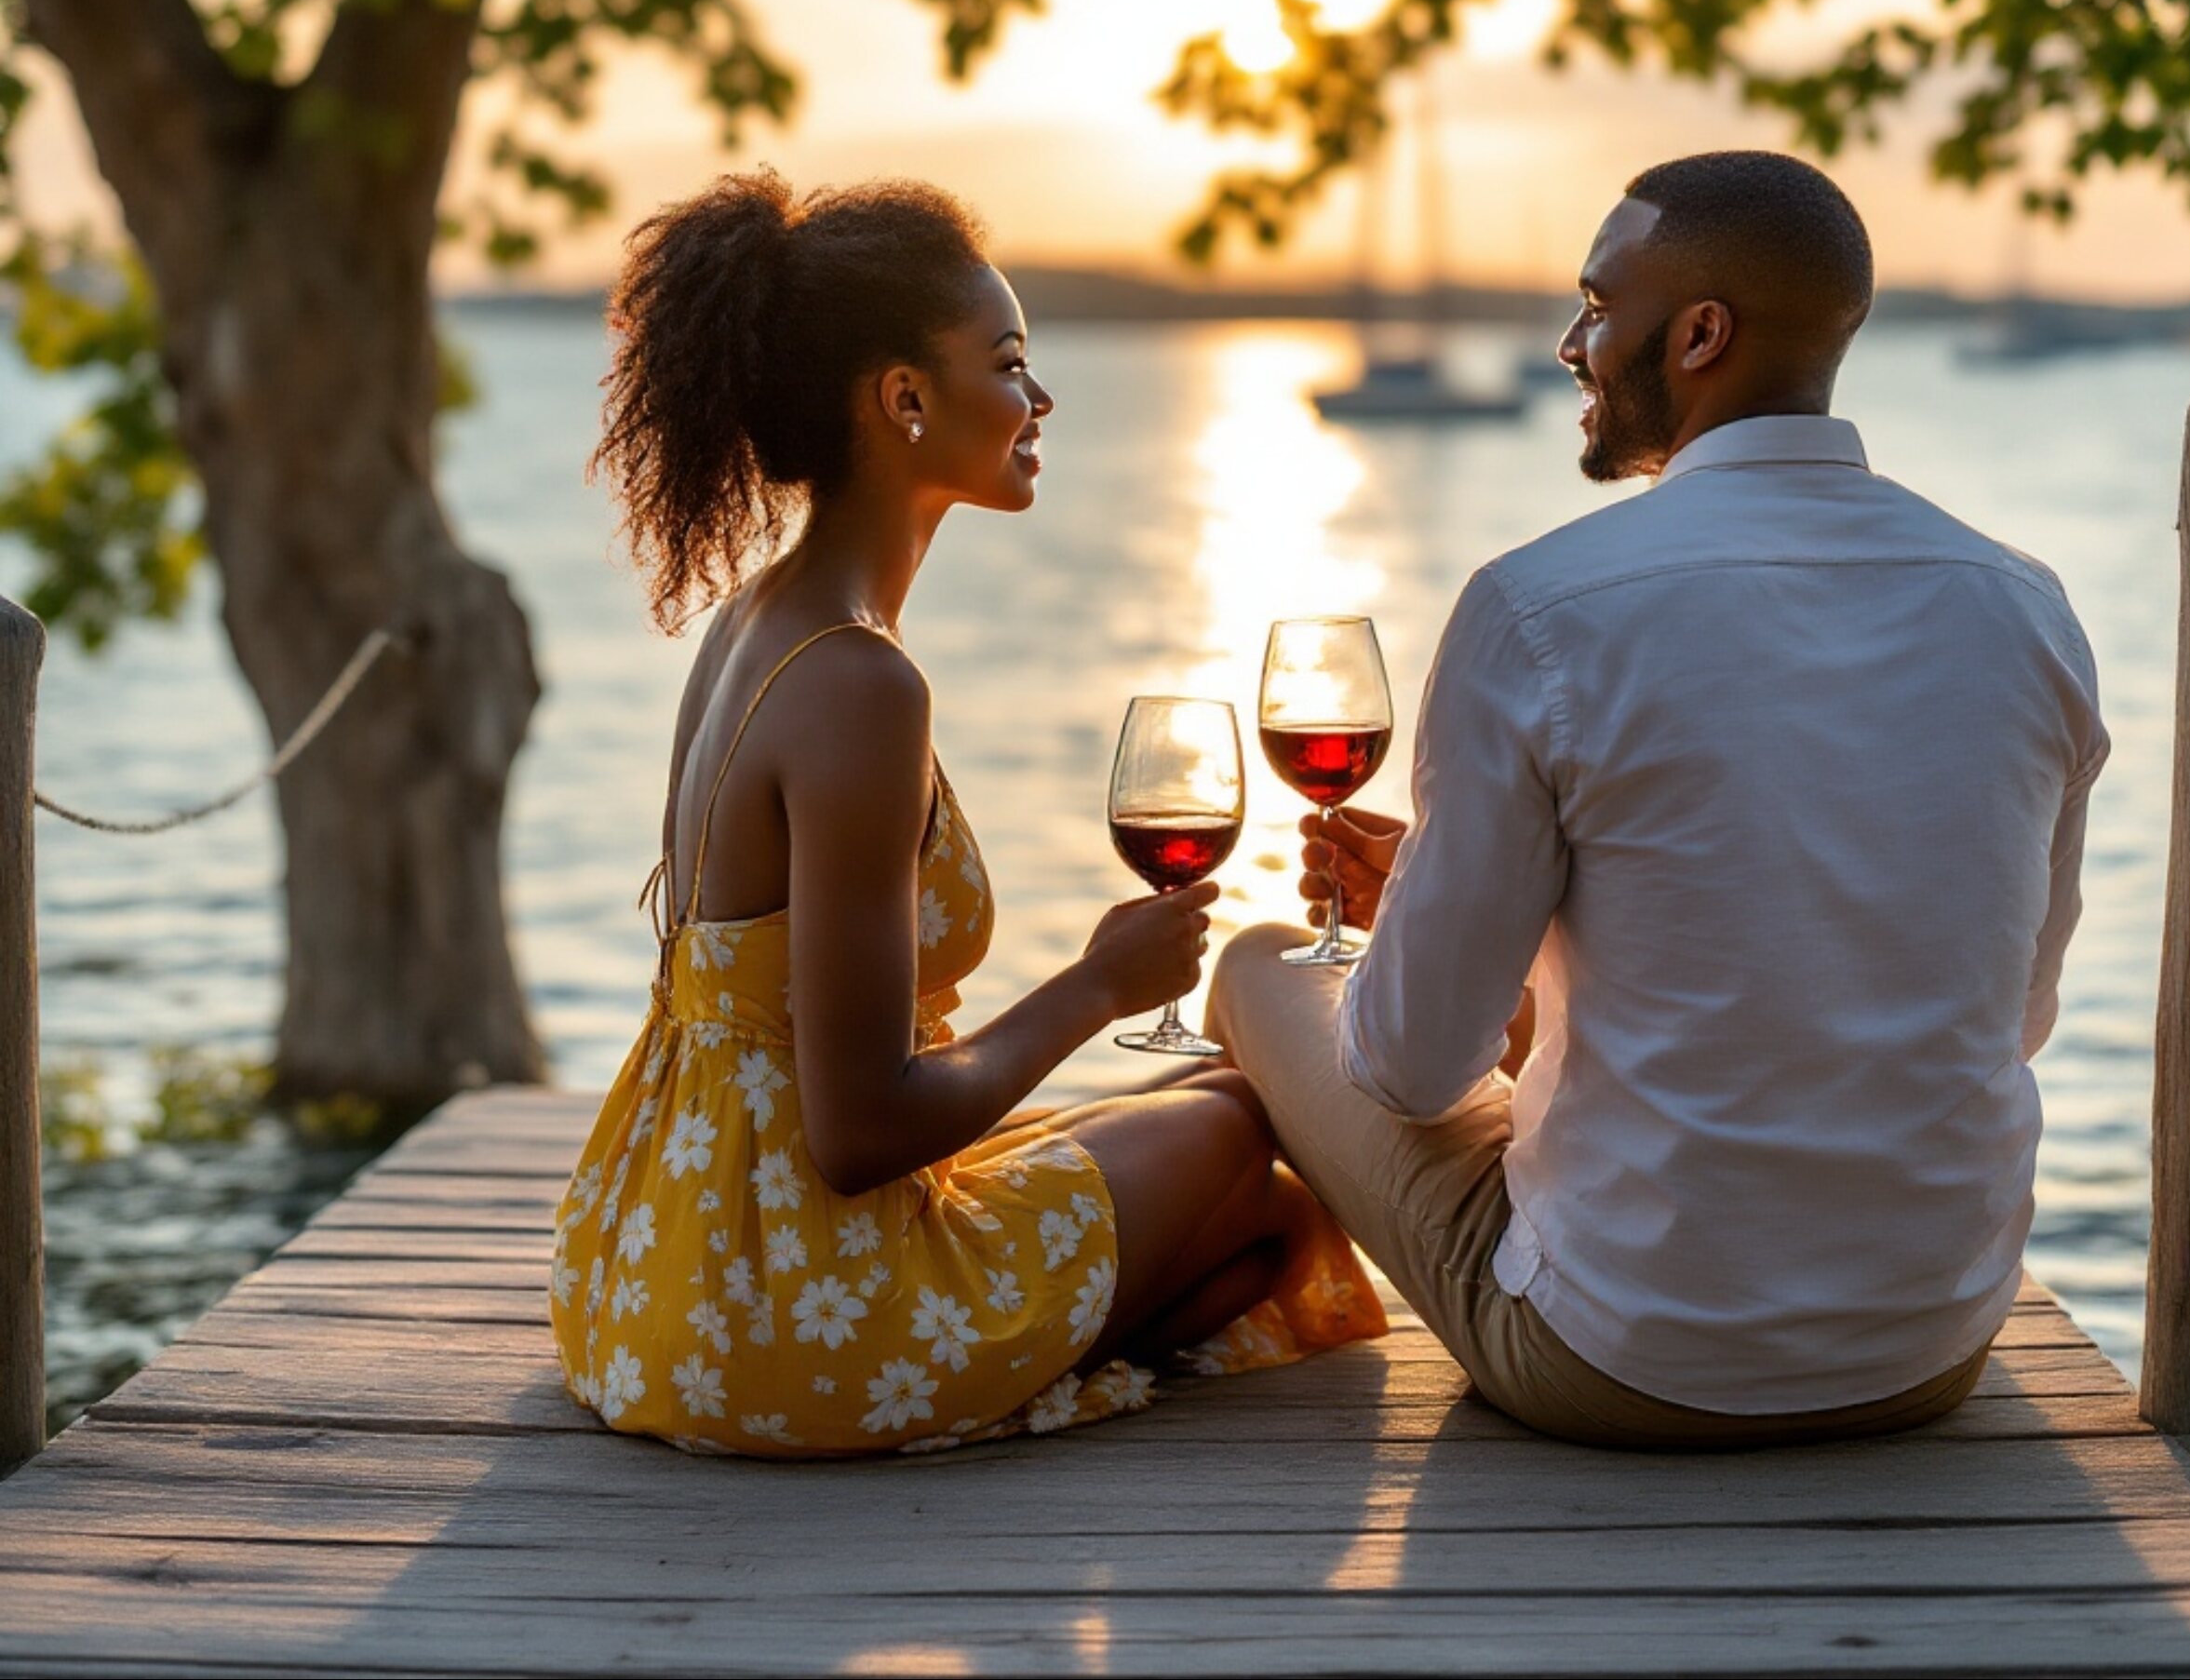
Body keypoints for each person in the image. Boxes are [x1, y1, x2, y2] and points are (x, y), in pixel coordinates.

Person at [1207, 150, 2109, 1449]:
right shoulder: (2024, 608)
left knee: (1260, 966)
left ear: (1698, 336)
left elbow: (1409, 1072)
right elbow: (2005, 1019)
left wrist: (1429, 912)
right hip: (1929, 1346)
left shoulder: (1540, 610)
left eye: (1594, 304)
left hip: (1628, 1360)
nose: (1574, 344)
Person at [551, 168, 1382, 1458]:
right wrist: (1098, 988)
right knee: (1242, 1138)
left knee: (1225, 1109)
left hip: (653, 1258)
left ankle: (1058, 1341)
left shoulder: (761, 620)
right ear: (903, 400)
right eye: (1010, 364)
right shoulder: (859, 683)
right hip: (784, 1311)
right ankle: (1018, 1364)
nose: (1040, 400)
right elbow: (859, 1132)